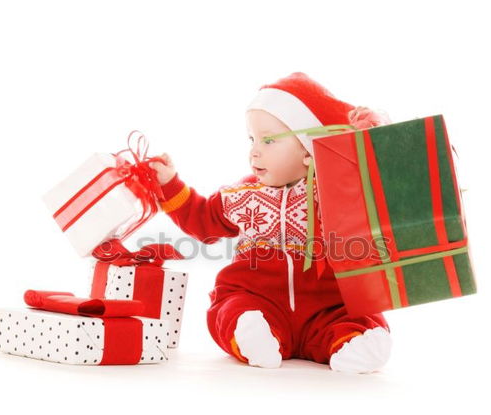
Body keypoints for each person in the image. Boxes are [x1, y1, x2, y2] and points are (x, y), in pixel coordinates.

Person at [149, 72, 393, 373]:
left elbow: (379, 211)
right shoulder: (242, 194)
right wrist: (170, 184)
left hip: (326, 306)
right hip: (258, 298)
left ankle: (356, 343)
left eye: (268, 140)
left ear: (308, 150)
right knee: (230, 308)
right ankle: (251, 334)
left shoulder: (335, 193)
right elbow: (203, 220)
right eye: (252, 139)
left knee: (356, 316)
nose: (254, 150)